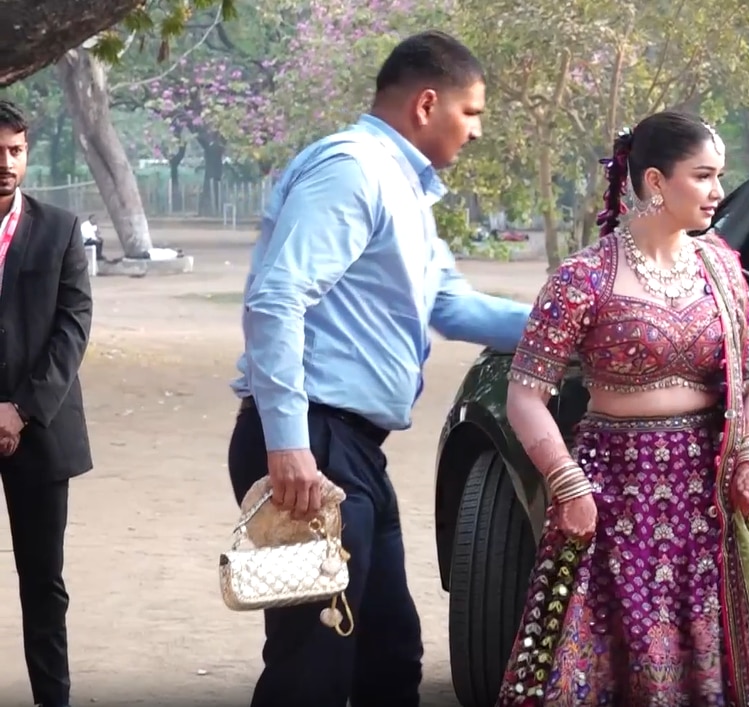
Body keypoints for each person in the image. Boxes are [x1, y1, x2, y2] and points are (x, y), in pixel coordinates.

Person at [226, 31, 531, 707]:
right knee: (312, 663)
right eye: (471, 112)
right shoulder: (353, 168)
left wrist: (578, 318)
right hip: (310, 446)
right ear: (428, 103)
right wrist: (289, 444)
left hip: (352, 451)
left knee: (387, 656)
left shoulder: (405, 189)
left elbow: (449, 305)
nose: (476, 131)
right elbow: (277, 298)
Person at [499, 111, 749, 706]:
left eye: (720, 176)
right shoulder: (582, 279)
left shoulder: (721, 269)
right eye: (703, 176)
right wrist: (567, 486)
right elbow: (525, 393)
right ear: (653, 181)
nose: (719, 192)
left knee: (710, 655)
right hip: (612, 500)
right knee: (616, 653)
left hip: (709, 498)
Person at [0, 99, 95, 707]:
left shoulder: (60, 229)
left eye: (16, 150)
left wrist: (20, 410)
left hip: (41, 432)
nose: (6, 163)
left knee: (43, 584)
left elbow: (73, 326)